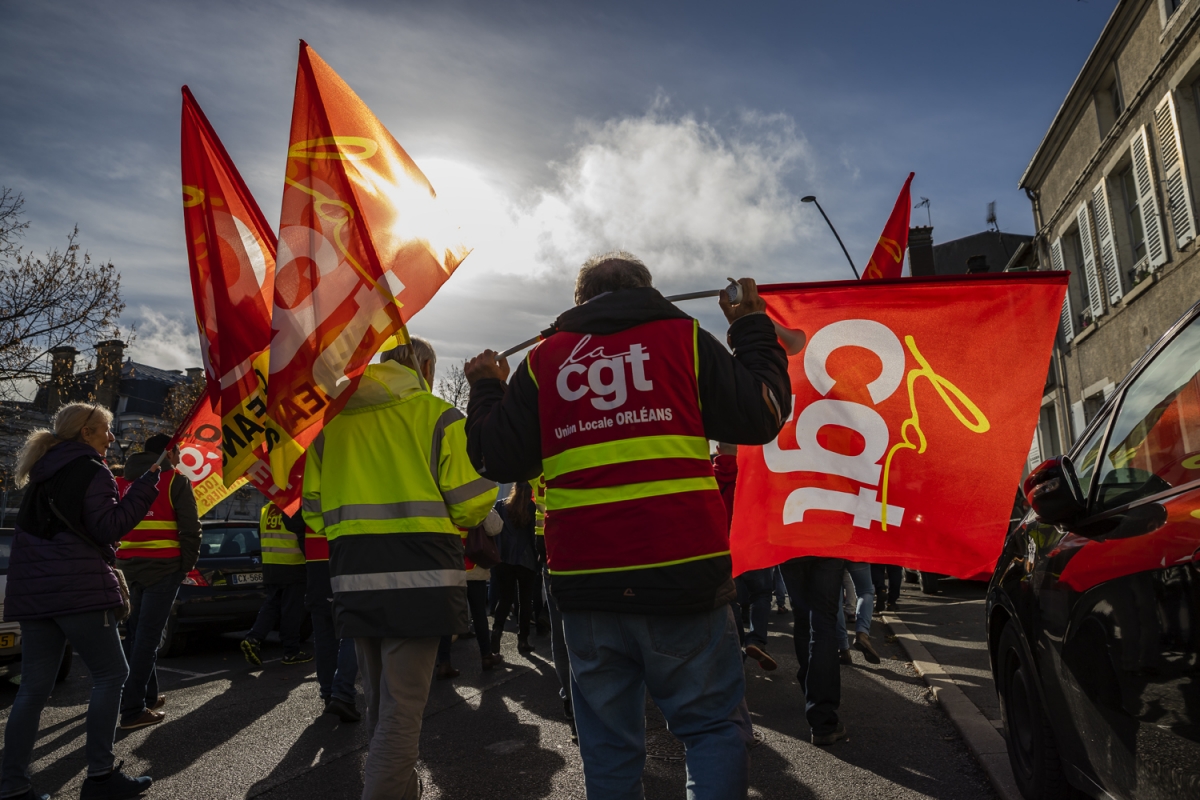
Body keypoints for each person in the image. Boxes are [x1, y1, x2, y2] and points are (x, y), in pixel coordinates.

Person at [464, 253, 791, 798]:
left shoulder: (546, 361)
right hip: (683, 575)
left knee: (610, 749)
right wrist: (751, 327)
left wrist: (486, 388)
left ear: (579, 302)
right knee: (711, 729)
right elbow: (764, 414)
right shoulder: (682, 339)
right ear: (645, 290)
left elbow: (497, 460)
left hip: (587, 586)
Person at [303, 335, 496, 800]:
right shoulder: (437, 415)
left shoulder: (331, 424)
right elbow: (472, 506)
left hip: (354, 576)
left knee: (381, 709)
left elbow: (312, 511)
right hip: (421, 577)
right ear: (425, 366)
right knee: (402, 713)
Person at [2, 402, 168, 800]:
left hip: (33, 592)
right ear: (86, 433)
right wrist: (146, 486)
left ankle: (11, 786)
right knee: (112, 675)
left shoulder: (42, 473)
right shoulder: (92, 470)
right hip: (78, 589)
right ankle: (100, 777)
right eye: (106, 430)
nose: (112, 437)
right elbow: (110, 526)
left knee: (33, 689)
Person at [114, 434, 202, 731]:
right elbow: (191, 529)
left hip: (127, 568)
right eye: (177, 452)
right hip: (163, 569)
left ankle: (147, 696)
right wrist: (184, 568)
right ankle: (132, 709)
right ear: (169, 452)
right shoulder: (175, 481)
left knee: (136, 633)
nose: (179, 457)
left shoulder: (120, 482)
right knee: (148, 639)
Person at [714, 443, 776, 672]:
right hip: (753, 547)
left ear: (718, 448)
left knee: (733, 601)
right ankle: (756, 640)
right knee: (761, 594)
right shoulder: (754, 476)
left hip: (725, 550)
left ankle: (739, 646)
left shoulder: (709, 477)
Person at [780, 554, 848, 745]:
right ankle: (823, 719)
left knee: (803, 619)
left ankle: (811, 689)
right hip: (828, 541)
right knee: (823, 624)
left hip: (789, 539)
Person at [435, 508, 504, 678]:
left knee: (446, 618)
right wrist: (485, 506)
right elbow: (496, 527)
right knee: (479, 614)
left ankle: (444, 662)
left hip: (449, 569)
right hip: (473, 569)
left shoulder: (444, 502)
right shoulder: (475, 503)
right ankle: (486, 656)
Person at [240, 502, 311, 666]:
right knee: (291, 611)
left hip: (271, 566)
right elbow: (301, 535)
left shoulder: (266, 508)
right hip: (293, 565)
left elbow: (260, 534)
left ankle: (253, 638)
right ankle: (291, 652)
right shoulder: (294, 505)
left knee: (272, 605)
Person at [304, 519, 360, 722]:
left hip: (316, 564)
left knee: (324, 635)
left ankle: (329, 693)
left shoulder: (305, 491)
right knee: (353, 631)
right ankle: (342, 693)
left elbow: (291, 521)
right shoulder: (349, 487)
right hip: (346, 558)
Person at [490, 482, 539, 656]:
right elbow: (533, 535)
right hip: (526, 560)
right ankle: (523, 640)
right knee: (525, 601)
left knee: (505, 598)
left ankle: (496, 631)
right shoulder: (531, 507)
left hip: (504, 559)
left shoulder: (501, 505)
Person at [835, 563, 881, 665]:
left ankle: (843, 649)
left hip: (833, 551)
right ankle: (862, 632)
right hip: (857, 550)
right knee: (865, 591)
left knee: (836, 598)